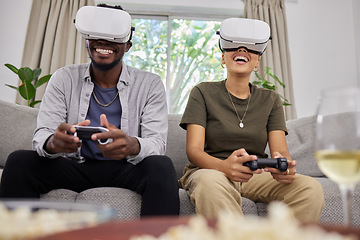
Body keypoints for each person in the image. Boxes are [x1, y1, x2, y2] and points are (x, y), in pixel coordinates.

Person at [0, 4, 180, 217]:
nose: (104, 42)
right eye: (96, 34)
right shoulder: (64, 78)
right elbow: (42, 136)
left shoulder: (149, 84)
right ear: (87, 40)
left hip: (126, 168)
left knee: (161, 166)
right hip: (75, 166)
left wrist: (131, 144)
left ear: (128, 44)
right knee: (20, 161)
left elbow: (157, 144)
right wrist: (53, 143)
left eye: (113, 36)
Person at [179, 18, 324, 223]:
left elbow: (280, 151)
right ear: (223, 58)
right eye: (234, 47)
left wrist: (285, 167)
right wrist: (225, 167)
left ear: (257, 63)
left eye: (251, 49)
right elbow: (194, 151)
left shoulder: (270, 99)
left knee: (311, 189)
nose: (242, 49)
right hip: (211, 171)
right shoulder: (202, 92)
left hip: (255, 174)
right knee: (209, 183)